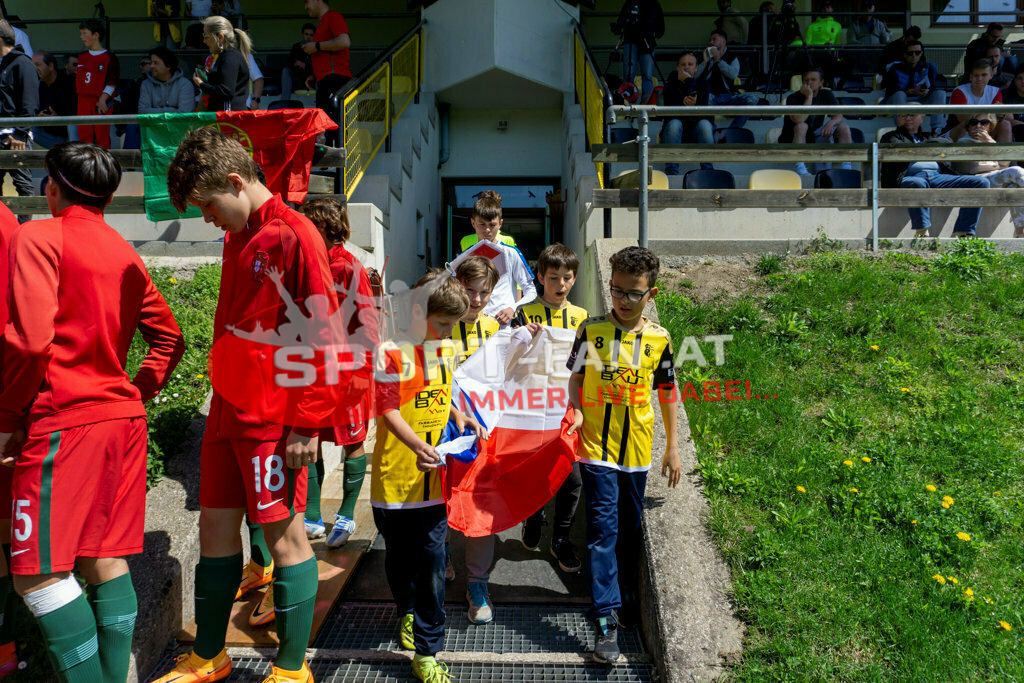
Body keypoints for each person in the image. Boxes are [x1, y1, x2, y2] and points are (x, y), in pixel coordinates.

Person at [154, 127, 337, 683]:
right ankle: (210, 655)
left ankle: (290, 668)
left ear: (236, 181)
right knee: (214, 526)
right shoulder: (239, 237)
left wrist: (307, 422)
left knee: (284, 535)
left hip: (271, 418)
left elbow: (324, 334)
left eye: (209, 205)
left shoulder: (296, 234)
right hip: (226, 413)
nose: (207, 218)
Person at [0, 141, 184, 683]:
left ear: (53, 186)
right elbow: (170, 337)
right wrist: (133, 391)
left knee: (35, 574)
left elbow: (30, 343)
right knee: (104, 560)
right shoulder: (121, 248)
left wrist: (7, 418)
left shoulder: (38, 235)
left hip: (63, 422)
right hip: (121, 421)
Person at [567, 246, 680, 664]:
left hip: (636, 450)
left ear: (652, 293)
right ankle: (605, 618)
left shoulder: (659, 338)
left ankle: (627, 592)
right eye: (617, 290)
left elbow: (667, 391)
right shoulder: (590, 331)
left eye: (634, 293)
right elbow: (575, 378)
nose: (623, 300)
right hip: (595, 446)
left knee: (629, 530)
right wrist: (576, 409)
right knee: (601, 530)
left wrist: (672, 447)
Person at [372, 270, 482, 682]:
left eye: (454, 326)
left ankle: (427, 650)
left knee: (434, 563)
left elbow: (444, 388)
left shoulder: (445, 348)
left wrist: (459, 415)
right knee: (399, 561)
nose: (448, 333)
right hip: (394, 483)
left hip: (435, 482)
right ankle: (405, 611)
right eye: (443, 324)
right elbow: (388, 408)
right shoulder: (391, 353)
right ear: (418, 312)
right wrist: (416, 445)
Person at [301, 197, 377, 551]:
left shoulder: (349, 267)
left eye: (309, 226)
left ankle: (346, 514)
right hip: (314, 373)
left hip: (348, 373)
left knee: (352, 441)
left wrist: (362, 372)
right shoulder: (308, 264)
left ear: (325, 229)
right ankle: (312, 514)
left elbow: (368, 322)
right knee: (312, 435)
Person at [513, 244, 589, 576]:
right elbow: (507, 361)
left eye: (567, 277)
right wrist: (518, 337)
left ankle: (560, 538)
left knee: (572, 478)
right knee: (534, 471)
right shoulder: (522, 312)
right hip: (530, 408)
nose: (560, 284)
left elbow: (588, 365)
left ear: (574, 279)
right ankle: (533, 515)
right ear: (540, 277)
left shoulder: (583, 318)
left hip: (567, 408)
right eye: (553, 277)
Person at [448, 256, 501, 624]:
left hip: (484, 435)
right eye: (471, 291)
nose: (478, 299)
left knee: (481, 506)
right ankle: (439, 562)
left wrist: (529, 342)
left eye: (485, 293)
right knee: (440, 503)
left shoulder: (497, 331)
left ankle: (477, 583)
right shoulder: (439, 326)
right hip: (442, 432)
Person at [880, 113, 990, 238]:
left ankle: (962, 231)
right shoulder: (890, 136)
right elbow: (899, 148)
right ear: (898, 118)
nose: (908, 118)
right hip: (911, 176)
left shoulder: (929, 135)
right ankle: (922, 230)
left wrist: (919, 147)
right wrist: (929, 147)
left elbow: (946, 141)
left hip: (938, 176)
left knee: (980, 182)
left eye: (912, 115)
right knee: (917, 183)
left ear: (921, 118)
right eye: (903, 115)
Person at [460, 191, 536, 327]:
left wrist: (513, 308)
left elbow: (531, 290)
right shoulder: (465, 256)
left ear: (500, 223)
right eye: (482, 224)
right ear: (473, 222)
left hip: (504, 328)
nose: (487, 230)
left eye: (492, 225)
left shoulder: (511, 253)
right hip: (472, 327)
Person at [954, 113, 1024, 237]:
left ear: (989, 126)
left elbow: (1003, 164)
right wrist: (995, 165)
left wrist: (990, 142)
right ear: (969, 126)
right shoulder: (963, 141)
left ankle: (1020, 232)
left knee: (1013, 189)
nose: (978, 126)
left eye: (983, 122)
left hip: (992, 177)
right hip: (976, 181)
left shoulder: (990, 142)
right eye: (974, 122)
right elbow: (972, 168)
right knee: (1016, 171)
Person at [780, 67, 852, 176]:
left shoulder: (826, 94)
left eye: (813, 80)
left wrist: (831, 123)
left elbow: (839, 116)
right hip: (792, 138)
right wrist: (809, 97)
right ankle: (801, 168)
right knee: (802, 126)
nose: (809, 82)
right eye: (806, 80)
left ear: (821, 82)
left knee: (844, 127)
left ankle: (847, 167)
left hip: (815, 135)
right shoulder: (793, 97)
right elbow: (799, 119)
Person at [0, 19, 37, 215]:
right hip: (3, 133)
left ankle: (25, 231)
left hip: (16, 136)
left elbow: (29, 104)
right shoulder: (4, 65)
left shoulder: (23, 64)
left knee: (23, 185)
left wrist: (21, 134)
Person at [660, 51, 714, 175]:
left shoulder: (703, 85)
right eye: (683, 64)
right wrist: (689, 83)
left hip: (695, 135)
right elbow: (670, 116)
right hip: (673, 135)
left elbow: (705, 114)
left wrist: (693, 104)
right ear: (677, 67)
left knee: (705, 125)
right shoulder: (669, 86)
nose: (686, 67)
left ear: (696, 68)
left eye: (690, 64)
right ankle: (671, 172)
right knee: (675, 123)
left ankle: (709, 172)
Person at [304, 0, 352, 134]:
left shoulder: (333, 16)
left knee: (334, 128)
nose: (305, 6)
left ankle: (339, 154)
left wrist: (316, 46)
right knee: (327, 129)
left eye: (307, 2)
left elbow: (344, 41)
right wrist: (314, 76)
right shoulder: (321, 23)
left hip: (335, 80)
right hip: (325, 81)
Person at [694, 29, 759, 129]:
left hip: (728, 96)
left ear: (723, 42)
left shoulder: (732, 57)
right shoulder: (703, 56)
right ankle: (713, 132)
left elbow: (733, 75)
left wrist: (718, 60)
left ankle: (733, 130)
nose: (710, 42)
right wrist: (705, 62)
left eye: (714, 39)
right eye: (710, 40)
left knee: (753, 98)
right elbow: (694, 76)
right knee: (699, 100)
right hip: (709, 97)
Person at [882, 38, 945, 132]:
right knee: (899, 95)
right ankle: (902, 129)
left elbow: (933, 87)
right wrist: (909, 91)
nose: (914, 56)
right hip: (901, 100)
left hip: (920, 99)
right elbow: (889, 92)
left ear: (921, 53)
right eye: (910, 53)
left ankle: (937, 129)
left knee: (940, 93)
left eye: (917, 52)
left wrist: (927, 92)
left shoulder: (929, 67)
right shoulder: (895, 68)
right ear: (904, 54)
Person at [76, 19, 119, 149]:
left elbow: (112, 81)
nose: (81, 37)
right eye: (81, 33)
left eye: (84, 33)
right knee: (84, 137)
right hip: (83, 100)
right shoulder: (82, 57)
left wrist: (103, 98)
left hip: (100, 101)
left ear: (96, 35)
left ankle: (105, 166)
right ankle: (86, 166)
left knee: (102, 137)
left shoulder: (109, 57)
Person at [194, 15, 251, 112]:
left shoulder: (230, 58)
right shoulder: (225, 56)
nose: (204, 41)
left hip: (228, 119)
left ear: (220, 37)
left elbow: (225, 91)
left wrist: (201, 84)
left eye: (206, 37)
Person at [612, 0, 664, 105]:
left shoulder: (653, 4)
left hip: (647, 43)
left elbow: (660, 27)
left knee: (647, 75)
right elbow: (621, 22)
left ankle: (647, 103)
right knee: (628, 74)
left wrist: (651, 33)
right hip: (630, 41)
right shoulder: (630, 3)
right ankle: (627, 101)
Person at [949, 60, 1010, 140]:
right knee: (969, 127)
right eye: (976, 75)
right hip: (958, 130)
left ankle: (1006, 152)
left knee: (1005, 124)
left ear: (991, 75)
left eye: (984, 75)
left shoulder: (995, 91)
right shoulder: (959, 91)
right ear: (971, 77)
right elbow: (964, 119)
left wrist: (1001, 114)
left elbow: (997, 117)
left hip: (985, 127)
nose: (979, 79)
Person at [32, 51, 74, 148]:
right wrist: (38, 117)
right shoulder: (37, 85)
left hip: (69, 137)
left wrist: (58, 118)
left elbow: (76, 112)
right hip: (48, 136)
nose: (34, 69)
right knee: (25, 128)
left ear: (50, 66)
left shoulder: (69, 83)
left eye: (38, 65)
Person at [139, 46, 196, 114]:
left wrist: (154, 111)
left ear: (168, 66)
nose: (151, 66)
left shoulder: (185, 84)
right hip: (152, 124)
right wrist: (172, 110)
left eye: (156, 63)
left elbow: (185, 114)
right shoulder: (146, 84)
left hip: (177, 124)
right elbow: (142, 112)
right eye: (151, 63)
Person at [282, 23, 315, 99]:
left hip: (312, 78)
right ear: (302, 35)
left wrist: (305, 65)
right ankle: (284, 101)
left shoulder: (316, 48)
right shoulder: (296, 47)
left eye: (311, 35)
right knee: (286, 71)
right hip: (298, 78)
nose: (308, 37)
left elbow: (319, 65)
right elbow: (289, 62)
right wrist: (296, 64)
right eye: (306, 34)